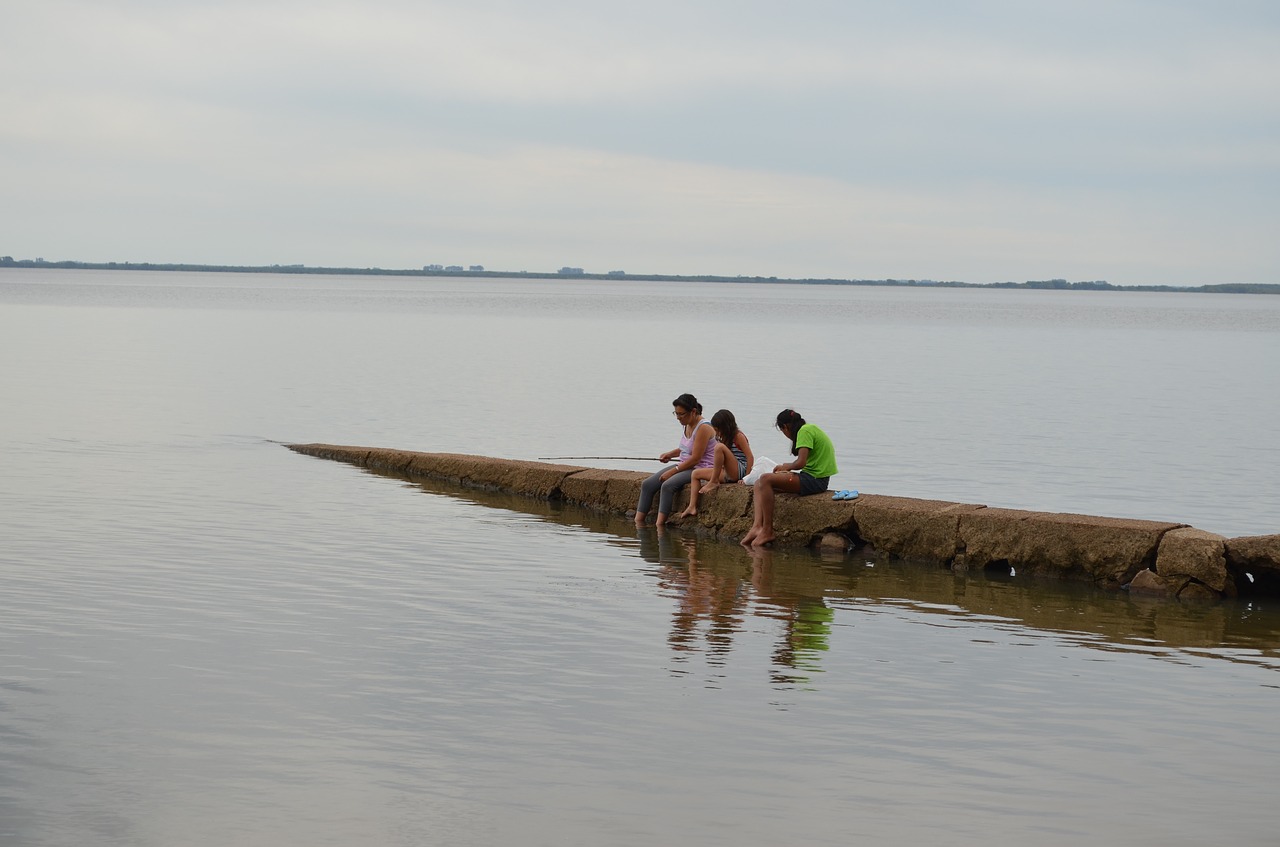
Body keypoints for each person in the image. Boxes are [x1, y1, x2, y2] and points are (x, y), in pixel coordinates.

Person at [740, 409, 837, 547]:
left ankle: (768, 530)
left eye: (783, 431)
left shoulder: (805, 431)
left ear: (785, 427)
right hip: (810, 476)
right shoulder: (809, 429)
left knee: (766, 479)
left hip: (815, 480)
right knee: (759, 483)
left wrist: (786, 467)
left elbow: (801, 462)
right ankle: (757, 527)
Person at [635, 393, 717, 527]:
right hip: (685, 465)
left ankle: (659, 526)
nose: (678, 418)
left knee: (667, 485)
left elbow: (695, 458)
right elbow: (685, 448)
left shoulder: (704, 428)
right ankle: (638, 523)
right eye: (676, 413)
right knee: (647, 484)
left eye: (681, 414)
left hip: (699, 468)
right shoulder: (687, 423)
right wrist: (670, 454)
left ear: (693, 412)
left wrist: (672, 471)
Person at [678, 409, 753, 520]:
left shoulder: (738, 436)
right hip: (727, 472)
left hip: (739, 470)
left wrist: (747, 478)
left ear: (726, 427)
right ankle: (692, 506)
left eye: (718, 430)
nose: (716, 433)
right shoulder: (724, 438)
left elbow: (750, 457)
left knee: (718, 447)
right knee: (695, 474)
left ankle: (714, 481)